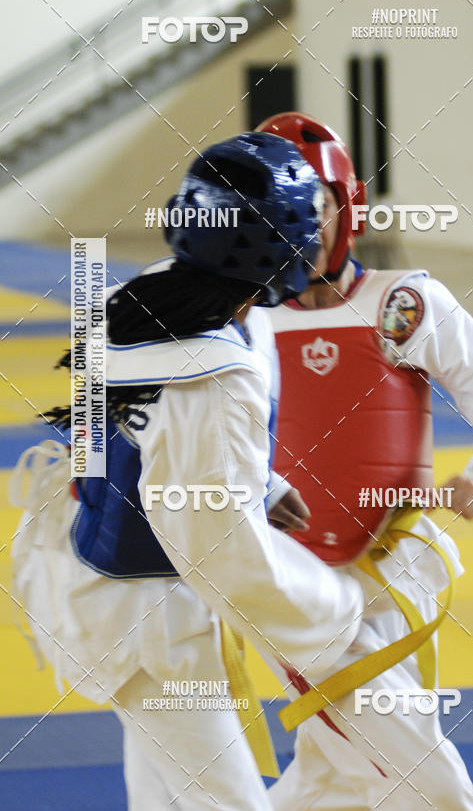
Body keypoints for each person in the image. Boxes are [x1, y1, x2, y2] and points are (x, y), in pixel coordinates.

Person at [10, 132, 365, 811]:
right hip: (149, 618)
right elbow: (217, 544)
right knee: (229, 800)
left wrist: (255, 483)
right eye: (311, 219)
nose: (326, 232)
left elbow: (119, 437)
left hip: (93, 575)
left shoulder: (134, 300)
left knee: (162, 787)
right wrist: (330, 606)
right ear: (280, 251)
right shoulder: (218, 373)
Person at [256, 112, 473, 811]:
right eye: (271, 209)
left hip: (397, 567)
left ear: (347, 206)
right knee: (423, 782)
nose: (295, 226)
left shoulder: (404, 304)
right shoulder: (238, 324)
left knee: (338, 774)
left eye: (314, 206)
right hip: (293, 580)